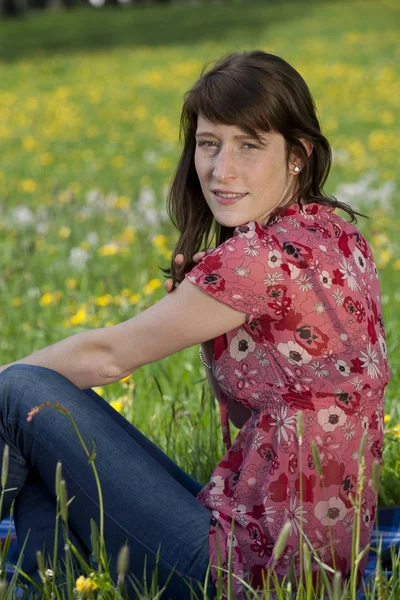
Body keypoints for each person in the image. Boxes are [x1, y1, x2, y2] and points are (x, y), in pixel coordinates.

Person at [0, 50, 390, 600]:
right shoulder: (339, 236)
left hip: (242, 574)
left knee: (18, 391)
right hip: (312, 564)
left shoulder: (257, 260)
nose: (220, 169)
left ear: (298, 154)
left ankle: (37, 579)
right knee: (43, 428)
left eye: (249, 146)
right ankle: (45, 584)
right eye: (209, 144)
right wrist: (216, 343)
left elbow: (106, 357)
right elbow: (244, 410)